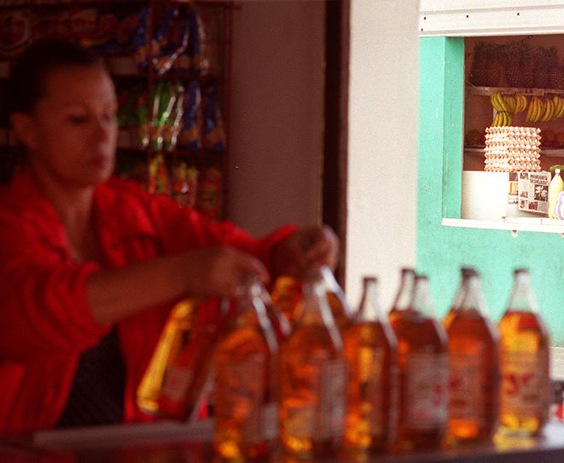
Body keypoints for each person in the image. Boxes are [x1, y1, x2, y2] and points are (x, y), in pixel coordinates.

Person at [0, 38, 339, 436]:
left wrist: (289, 252)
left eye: (109, 117)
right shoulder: (10, 223)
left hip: (144, 445)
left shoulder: (135, 210)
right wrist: (178, 275)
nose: (102, 136)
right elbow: (31, 315)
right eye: (79, 120)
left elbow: (235, 251)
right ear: (27, 130)